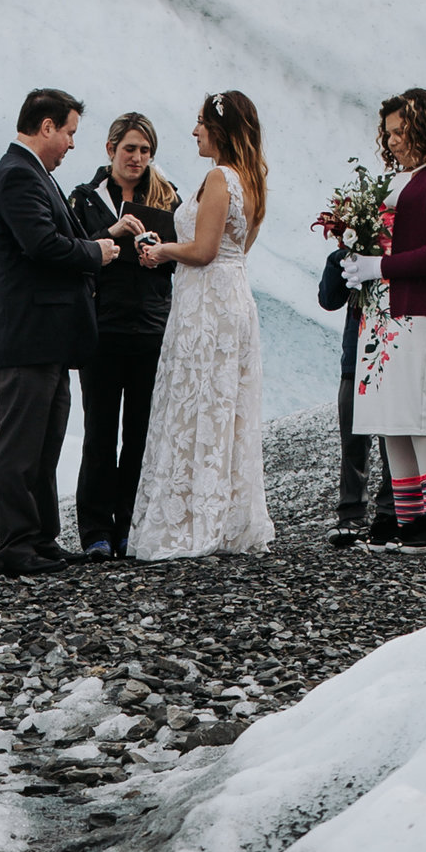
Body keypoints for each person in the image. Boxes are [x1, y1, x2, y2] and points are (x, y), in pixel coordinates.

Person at [0, 89, 134, 579]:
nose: (71, 144)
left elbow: (52, 241)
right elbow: (43, 245)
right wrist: (99, 252)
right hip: (26, 336)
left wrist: (97, 244)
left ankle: (42, 539)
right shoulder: (16, 176)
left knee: (44, 446)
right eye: (68, 132)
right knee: (20, 445)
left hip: (47, 338)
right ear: (46, 127)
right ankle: (15, 545)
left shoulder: (32, 175)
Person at [124, 92, 274, 560]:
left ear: (220, 130)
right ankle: (220, 515)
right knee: (221, 403)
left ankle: (190, 521)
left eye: (200, 123)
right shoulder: (253, 180)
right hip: (233, 298)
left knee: (195, 401)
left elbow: (205, 250)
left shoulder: (218, 177)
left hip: (207, 303)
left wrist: (162, 250)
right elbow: (236, 249)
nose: (194, 132)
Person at [342, 90, 426, 546]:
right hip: (388, 310)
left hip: (425, 309)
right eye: (389, 133)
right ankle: (411, 520)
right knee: (394, 416)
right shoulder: (407, 177)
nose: (394, 141)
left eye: (402, 132)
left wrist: (380, 266)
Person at [67, 114, 182, 558]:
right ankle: (95, 531)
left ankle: (129, 526)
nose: (137, 158)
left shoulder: (169, 198)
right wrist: (110, 234)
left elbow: (182, 258)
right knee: (99, 433)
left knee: (140, 434)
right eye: (129, 149)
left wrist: (159, 251)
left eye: (145, 150)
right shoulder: (85, 199)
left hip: (151, 329)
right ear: (111, 148)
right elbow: (72, 253)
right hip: (102, 328)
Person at [316, 234, 389, 545]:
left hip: (388, 350)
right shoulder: (356, 257)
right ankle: (353, 514)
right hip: (355, 354)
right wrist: (341, 258)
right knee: (353, 438)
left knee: (390, 435)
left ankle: (388, 513)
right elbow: (329, 299)